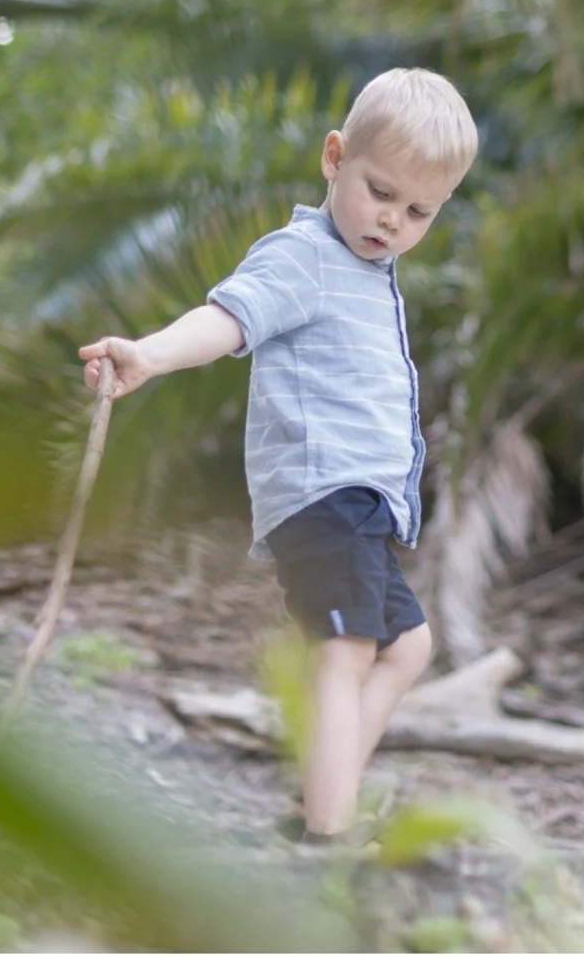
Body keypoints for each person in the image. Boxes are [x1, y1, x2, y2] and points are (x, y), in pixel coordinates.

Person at [79, 68, 479, 845]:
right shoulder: (304, 255)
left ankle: (320, 801)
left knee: (408, 645)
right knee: (346, 648)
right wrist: (149, 355)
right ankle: (332, 829)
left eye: (418, 210)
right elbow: (228, 318)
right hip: (323, 493)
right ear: (334, 157)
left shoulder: (369, 271)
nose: (392, 220)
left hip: (359, 503)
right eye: (380, 191)